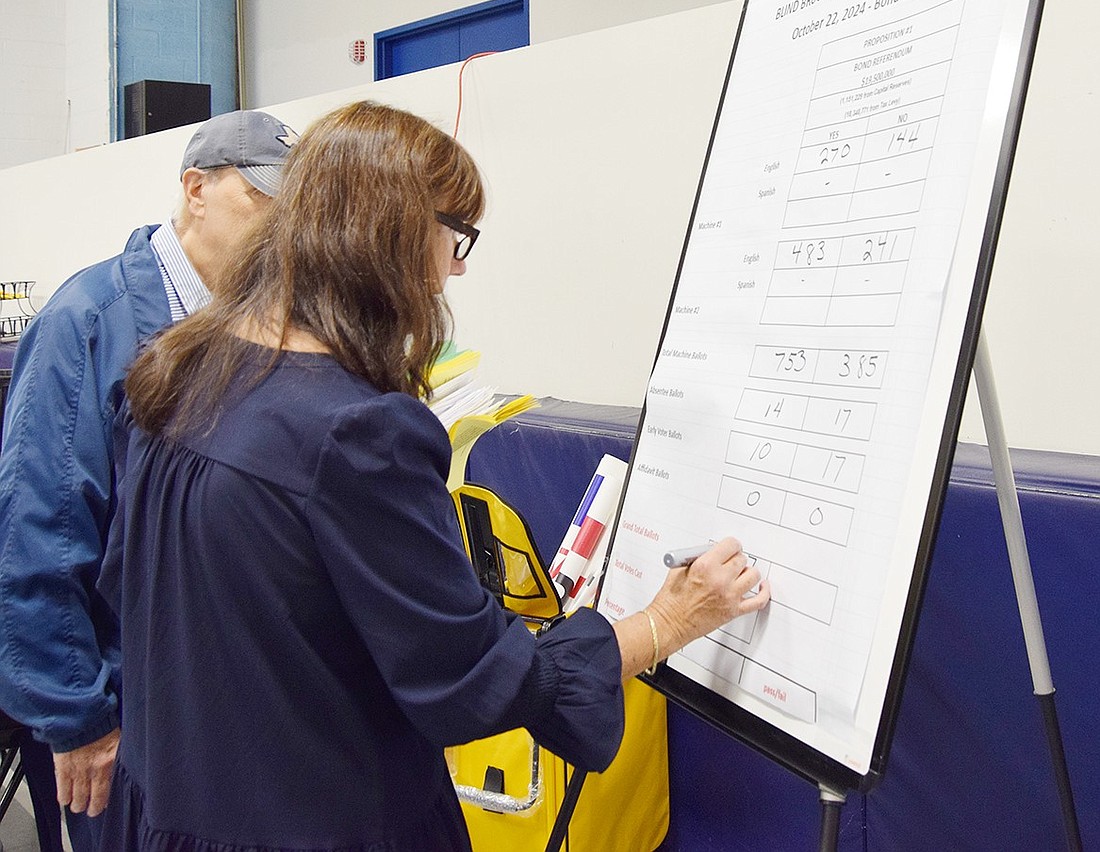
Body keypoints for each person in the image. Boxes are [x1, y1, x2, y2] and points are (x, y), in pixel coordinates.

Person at [97, 99, 771, 851]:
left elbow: (133, 588)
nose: (454, 266)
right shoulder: (354, 433)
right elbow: (473, 675)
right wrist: (664, 623)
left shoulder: (175, 370)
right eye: (456, 235)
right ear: (385, 233)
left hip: (173, 813)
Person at [0, 109, 296, 852]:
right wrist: (78, 720)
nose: (279, 229)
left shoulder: (251, 325)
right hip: (122, 713)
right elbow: (37, 533)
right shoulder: (89, 323)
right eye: (262, 200)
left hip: (215, 703)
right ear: (196, 188)